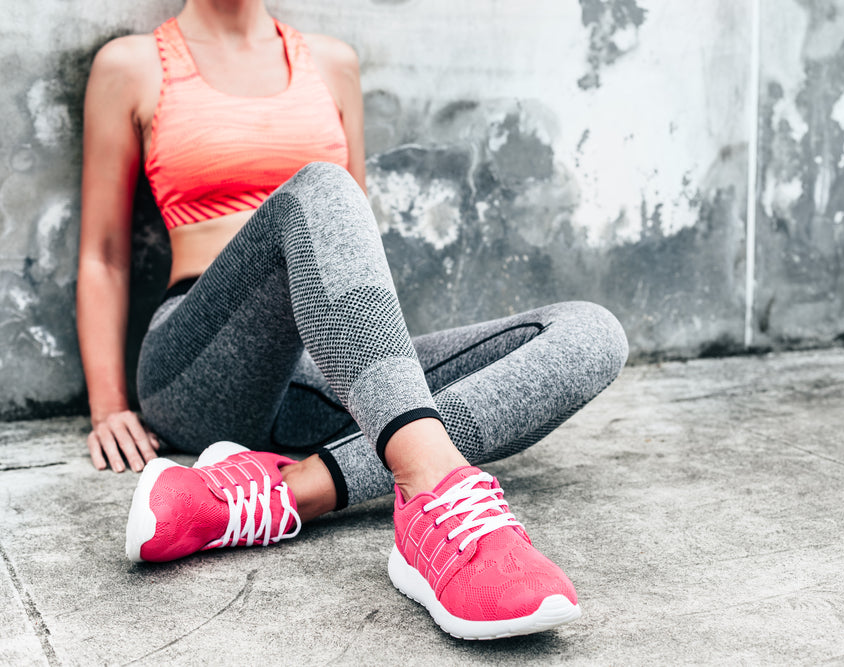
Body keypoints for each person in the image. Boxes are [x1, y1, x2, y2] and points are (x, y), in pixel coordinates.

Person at [77, 0, 628, 640]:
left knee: (591, 334)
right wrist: (107, 405)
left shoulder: (332, 63)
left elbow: (352, 240)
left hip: (323, 366)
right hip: (205, 363)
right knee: (322, 186)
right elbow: (103, 255)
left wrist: (378, 370)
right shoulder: (132, 65)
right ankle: (432, 486)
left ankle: (286, 493)